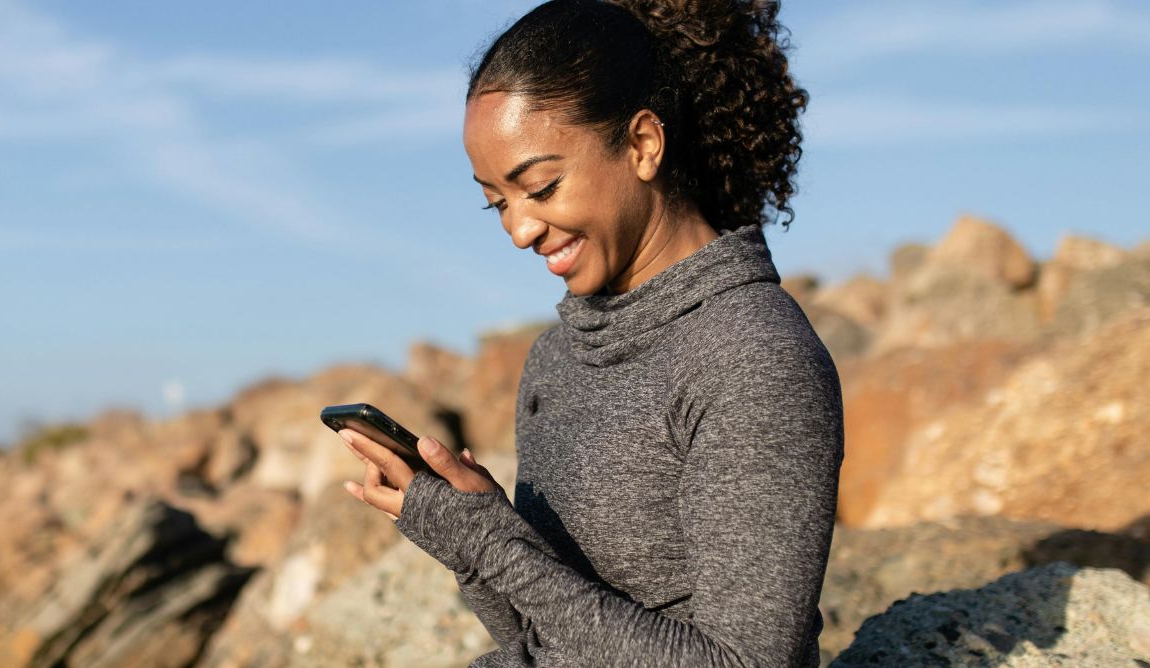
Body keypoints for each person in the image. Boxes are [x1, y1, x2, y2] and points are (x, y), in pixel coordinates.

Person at [338, 0, 838, 666]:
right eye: (497, 202)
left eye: (540, 187)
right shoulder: (557, 357)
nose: (518, 231)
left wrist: (491, 544)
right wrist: (470, 538)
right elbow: (541, 641)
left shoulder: (754, 357)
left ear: (641, 144)